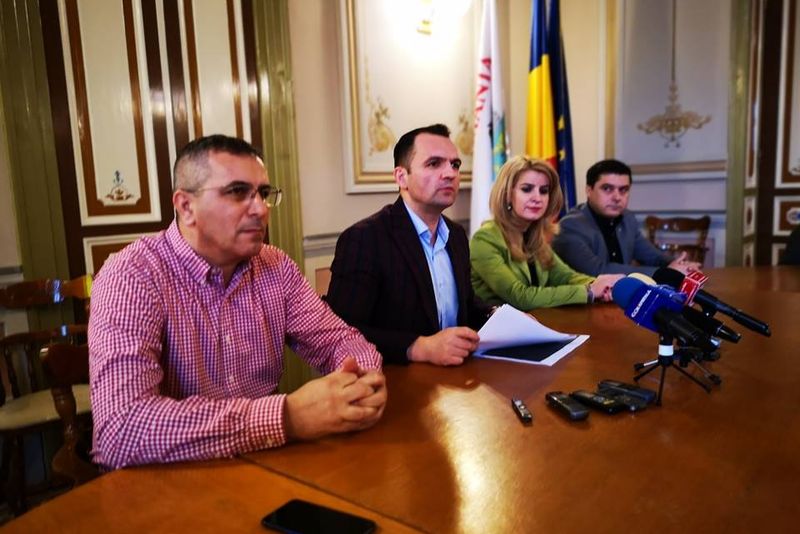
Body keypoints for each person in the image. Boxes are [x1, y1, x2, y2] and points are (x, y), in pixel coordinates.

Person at [88, 135, 387, 470]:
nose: (260, 209)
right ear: (186, 207)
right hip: (167, 478)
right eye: (237, 192)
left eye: (263, 193)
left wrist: (362, 380)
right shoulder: (132, 274)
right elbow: (122, 430)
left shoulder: (275, 266)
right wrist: (287, 417)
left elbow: (339, 340)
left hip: (263, 465)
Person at [326, 124, 491, 367]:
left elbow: (465, 307)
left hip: (457, 377)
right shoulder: (365, 239)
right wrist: (418, 347)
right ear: (401, 177)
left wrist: (501, 317)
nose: (450, 173)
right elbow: (341, 331)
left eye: (455, 164)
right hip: (394, 380)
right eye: (434, 164)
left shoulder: (456, 235)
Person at [470, 156, 622, 309]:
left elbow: (566, 277)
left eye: (544, 191)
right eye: (527, 189)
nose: (538, 198)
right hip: (496, 323)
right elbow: (520, 297)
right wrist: (589, 291)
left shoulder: (534, 235)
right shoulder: (485, 239)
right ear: (507, 194)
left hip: (535, 320)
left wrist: (603, 285)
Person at [552, 159, 700, 276]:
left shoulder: (627, 219)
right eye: (607, 189)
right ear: (589, 190)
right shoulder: (570, 226)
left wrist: (680, 265)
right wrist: (666, 273)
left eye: (623, 190)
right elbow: (598, 271)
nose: (617, 197)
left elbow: (653, 257)